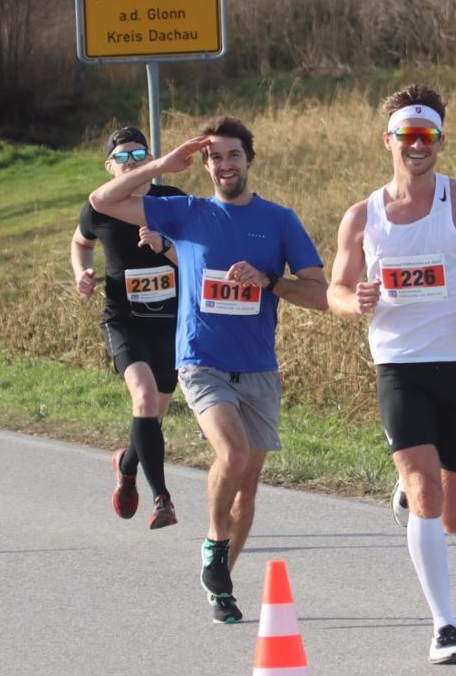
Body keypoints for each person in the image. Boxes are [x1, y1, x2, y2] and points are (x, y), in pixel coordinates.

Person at [89, 116, 328, 624]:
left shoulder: (279, 221)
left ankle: (220, 580)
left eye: (233, 155)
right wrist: (157, 165)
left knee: (247, 487)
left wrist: (270, 282)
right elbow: (102, 202)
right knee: (233, 452)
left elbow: (321, 293)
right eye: (214, 157)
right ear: (204, 165)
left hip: (259, 367)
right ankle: (215, 546)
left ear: (249, 160)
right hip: (202, 362)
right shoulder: (185, 213)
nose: (224, 164)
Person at [326, 85, 456, 665]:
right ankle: (444, 627)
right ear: (388, 141)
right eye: (406, 136)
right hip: (399, 366)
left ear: (440, 140)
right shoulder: (363, 216)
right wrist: (351, 301)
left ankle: (412, 500)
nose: (416, 146)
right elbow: (335, 288)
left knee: (454, 517)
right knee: (428, 492)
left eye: (427, 136)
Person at [71, 126, 184, 530]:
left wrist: (164, 245)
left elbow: (196, 257)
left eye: (141, 156)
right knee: (144, 398)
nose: (133, 164)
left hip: (170, 324)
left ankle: (125, 462)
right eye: (124, 158)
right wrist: (82, 271)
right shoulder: (98, 210)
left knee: (152, 416)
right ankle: (162, 500)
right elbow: (80, 242)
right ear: (109, 166)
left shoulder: (171, 201)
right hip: (124, 321)